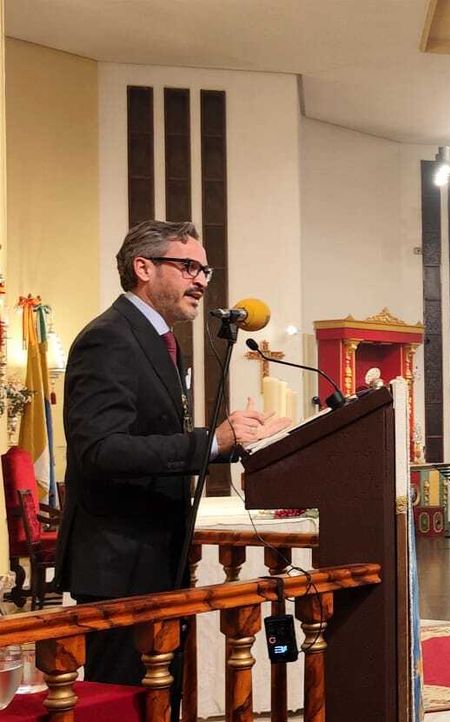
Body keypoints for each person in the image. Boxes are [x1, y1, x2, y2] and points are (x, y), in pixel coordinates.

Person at [59, 220, 290, 687]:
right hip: (119, 559)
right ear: (143, 267)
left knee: (159, 704)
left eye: (206, 270)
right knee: (124, 707)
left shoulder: (163, 342)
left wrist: (237, 441)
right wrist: (211, 441)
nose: (202, 281)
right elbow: (100, 450)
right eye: (189, 267)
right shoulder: (109, 337)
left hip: (156, 551)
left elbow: (158, 438)